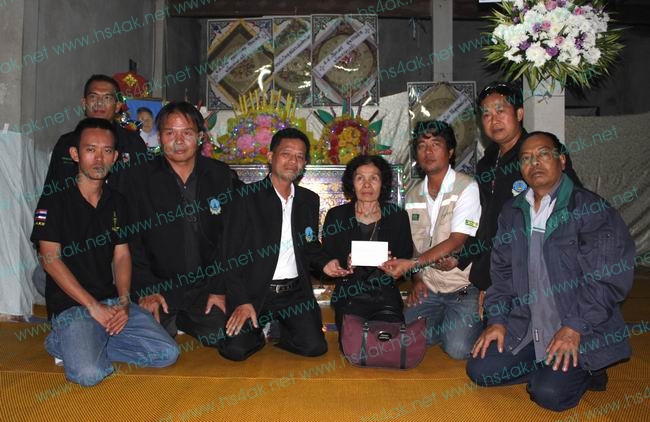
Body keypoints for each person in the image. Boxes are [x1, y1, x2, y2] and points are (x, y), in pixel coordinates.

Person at [466, 132, 635, 411]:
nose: (535, 163)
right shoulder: (512, 212)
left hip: (579, 329)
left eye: (543, 154)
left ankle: (588, 368)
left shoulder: (590, 209)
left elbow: (606, 280)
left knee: (549, 394)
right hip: (528, 327)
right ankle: (549, 367)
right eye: (526, 158)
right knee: (481, 370)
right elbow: (502, 275)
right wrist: (498, 320)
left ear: (562, 160)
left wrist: (574, 326)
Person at [30, 118, 178, 386]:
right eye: (90, 150)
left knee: (166, 353)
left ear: (116, 157)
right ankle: (62, 340)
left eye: (107, 151)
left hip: (109, 302)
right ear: (75, 154)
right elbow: (49, 260)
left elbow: (122, 256)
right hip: (73, 306)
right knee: (90, 374)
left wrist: (123, 302)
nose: (99, 158)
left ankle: (85, 343)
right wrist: (92, 307)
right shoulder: (55, 199)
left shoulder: (117, 202)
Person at [438, 81, 582, 319]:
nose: (493, 120)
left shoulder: (539, 153)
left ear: (519, 114)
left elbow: (573, 204)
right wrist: (462, 257)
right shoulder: (487, 162)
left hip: (537, 270)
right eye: (486, 114)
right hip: (496, 269)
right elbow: (486, 219)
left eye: (500, 111)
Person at [220, 128, 350, 361]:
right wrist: (241, 301)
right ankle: (260, 332)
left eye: (300, 156)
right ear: (271, 157)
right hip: (255, 291)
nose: (293, 161)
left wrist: (325, 264)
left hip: (294, 293)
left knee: (314, 347)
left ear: (305, 163)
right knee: (235, 351)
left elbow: (310, 246)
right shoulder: (245, 197)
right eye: (286, 154)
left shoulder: (308, 200)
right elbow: (229, 256)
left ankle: (278, 328)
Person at [124, 102, 238, 348]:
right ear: (159, 137)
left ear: (200, 137)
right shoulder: (139, 177)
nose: (178, 141)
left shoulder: (220, 175)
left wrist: (219, 289)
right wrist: (146, 289)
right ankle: (169, 321)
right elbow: (133, 241)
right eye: (170, 133)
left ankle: (185, 320)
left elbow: (229, 237)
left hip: (205, 287)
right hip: (160, 286)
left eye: (186, 132)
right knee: (152, 349)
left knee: (233, 340)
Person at [381, 121, 482, 359]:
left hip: (462, 287)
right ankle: (446, 324)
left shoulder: (467, 187)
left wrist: (411, 265)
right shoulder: (413, 195)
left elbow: (457, 240)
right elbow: (413, 246)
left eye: (436, 144)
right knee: (406, 340)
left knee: (457, 349)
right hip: (429, 287)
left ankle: (468, 321)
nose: (428, 151)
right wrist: (417, 279)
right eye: (421, 146)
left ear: (450, 151)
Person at [321, 155, 413, 334]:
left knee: (388, 342)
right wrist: (344, 263)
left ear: (383, 183)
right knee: (353, 342)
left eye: (374, 178)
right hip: (349, 294)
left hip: (385, 294)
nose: (367, 185)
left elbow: (406, 256)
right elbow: (327, 255)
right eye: (360, 178)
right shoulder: (336, 216)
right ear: (352, 183)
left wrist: (394, 264)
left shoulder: (397, 215)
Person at [40, 74, 148, 195]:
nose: (99, 103)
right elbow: (51, 192)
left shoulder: (133, 143)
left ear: (117, 106)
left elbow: (144, 191)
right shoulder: (67, 143)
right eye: (93, 97)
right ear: (84, 103)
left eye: (107, 98)